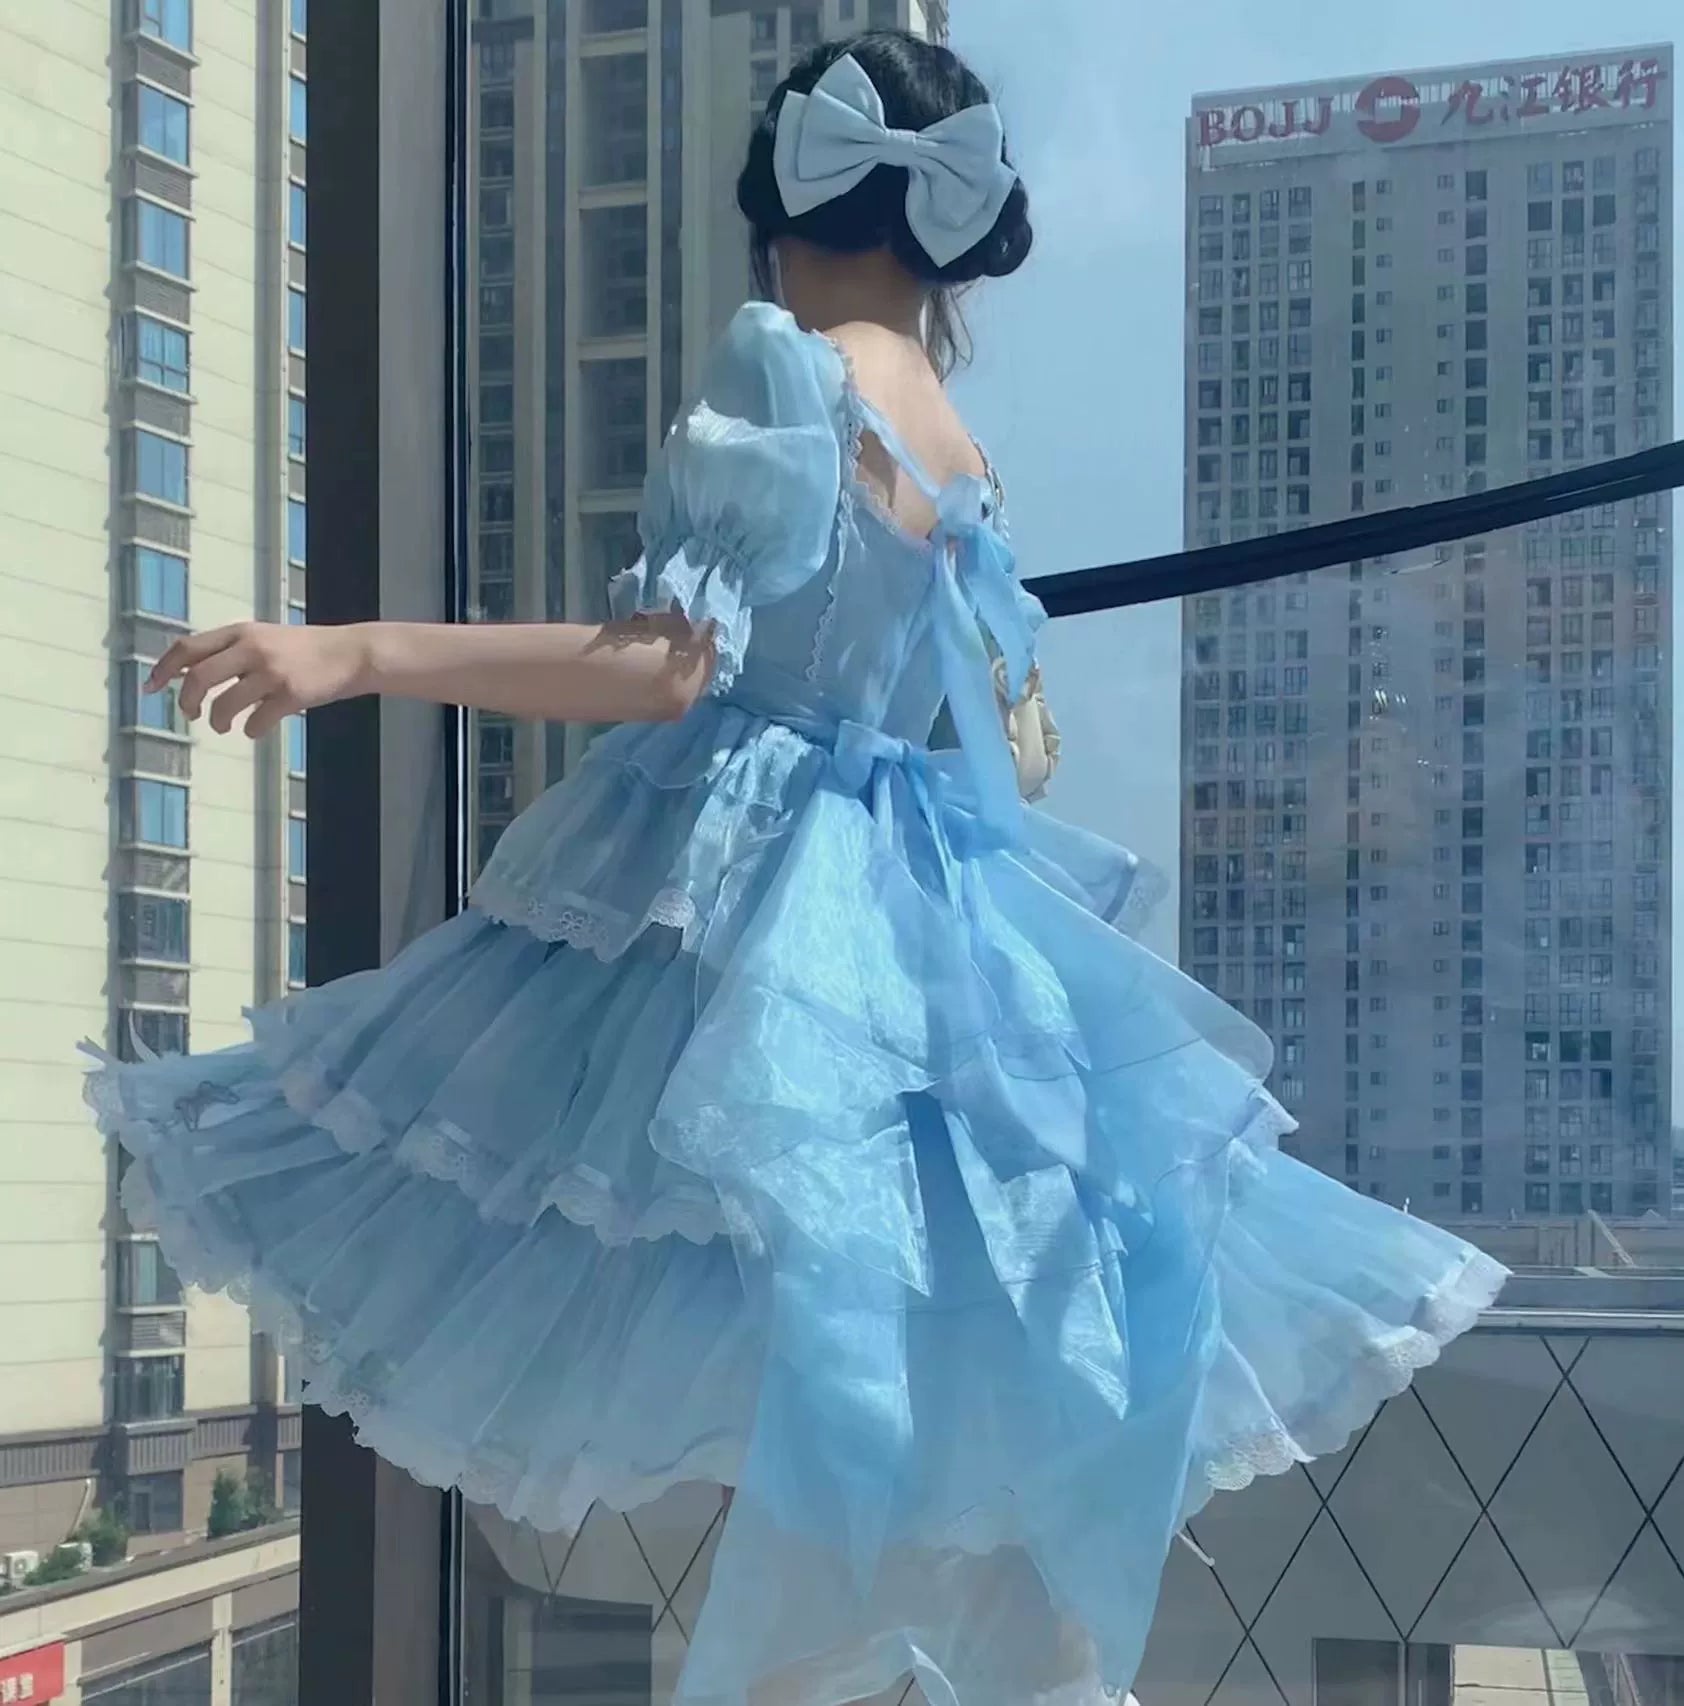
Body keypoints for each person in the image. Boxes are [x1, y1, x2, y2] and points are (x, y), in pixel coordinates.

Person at [86, 31, 1507, 1706]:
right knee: (859, 1307)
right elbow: (994, 727)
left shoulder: (788, 364)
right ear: (951, 237)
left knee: (522, 1182)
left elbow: (666, 667)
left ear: (782, 200)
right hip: (914, 895)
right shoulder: (960, 444)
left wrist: (353, 651)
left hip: (746, 871)